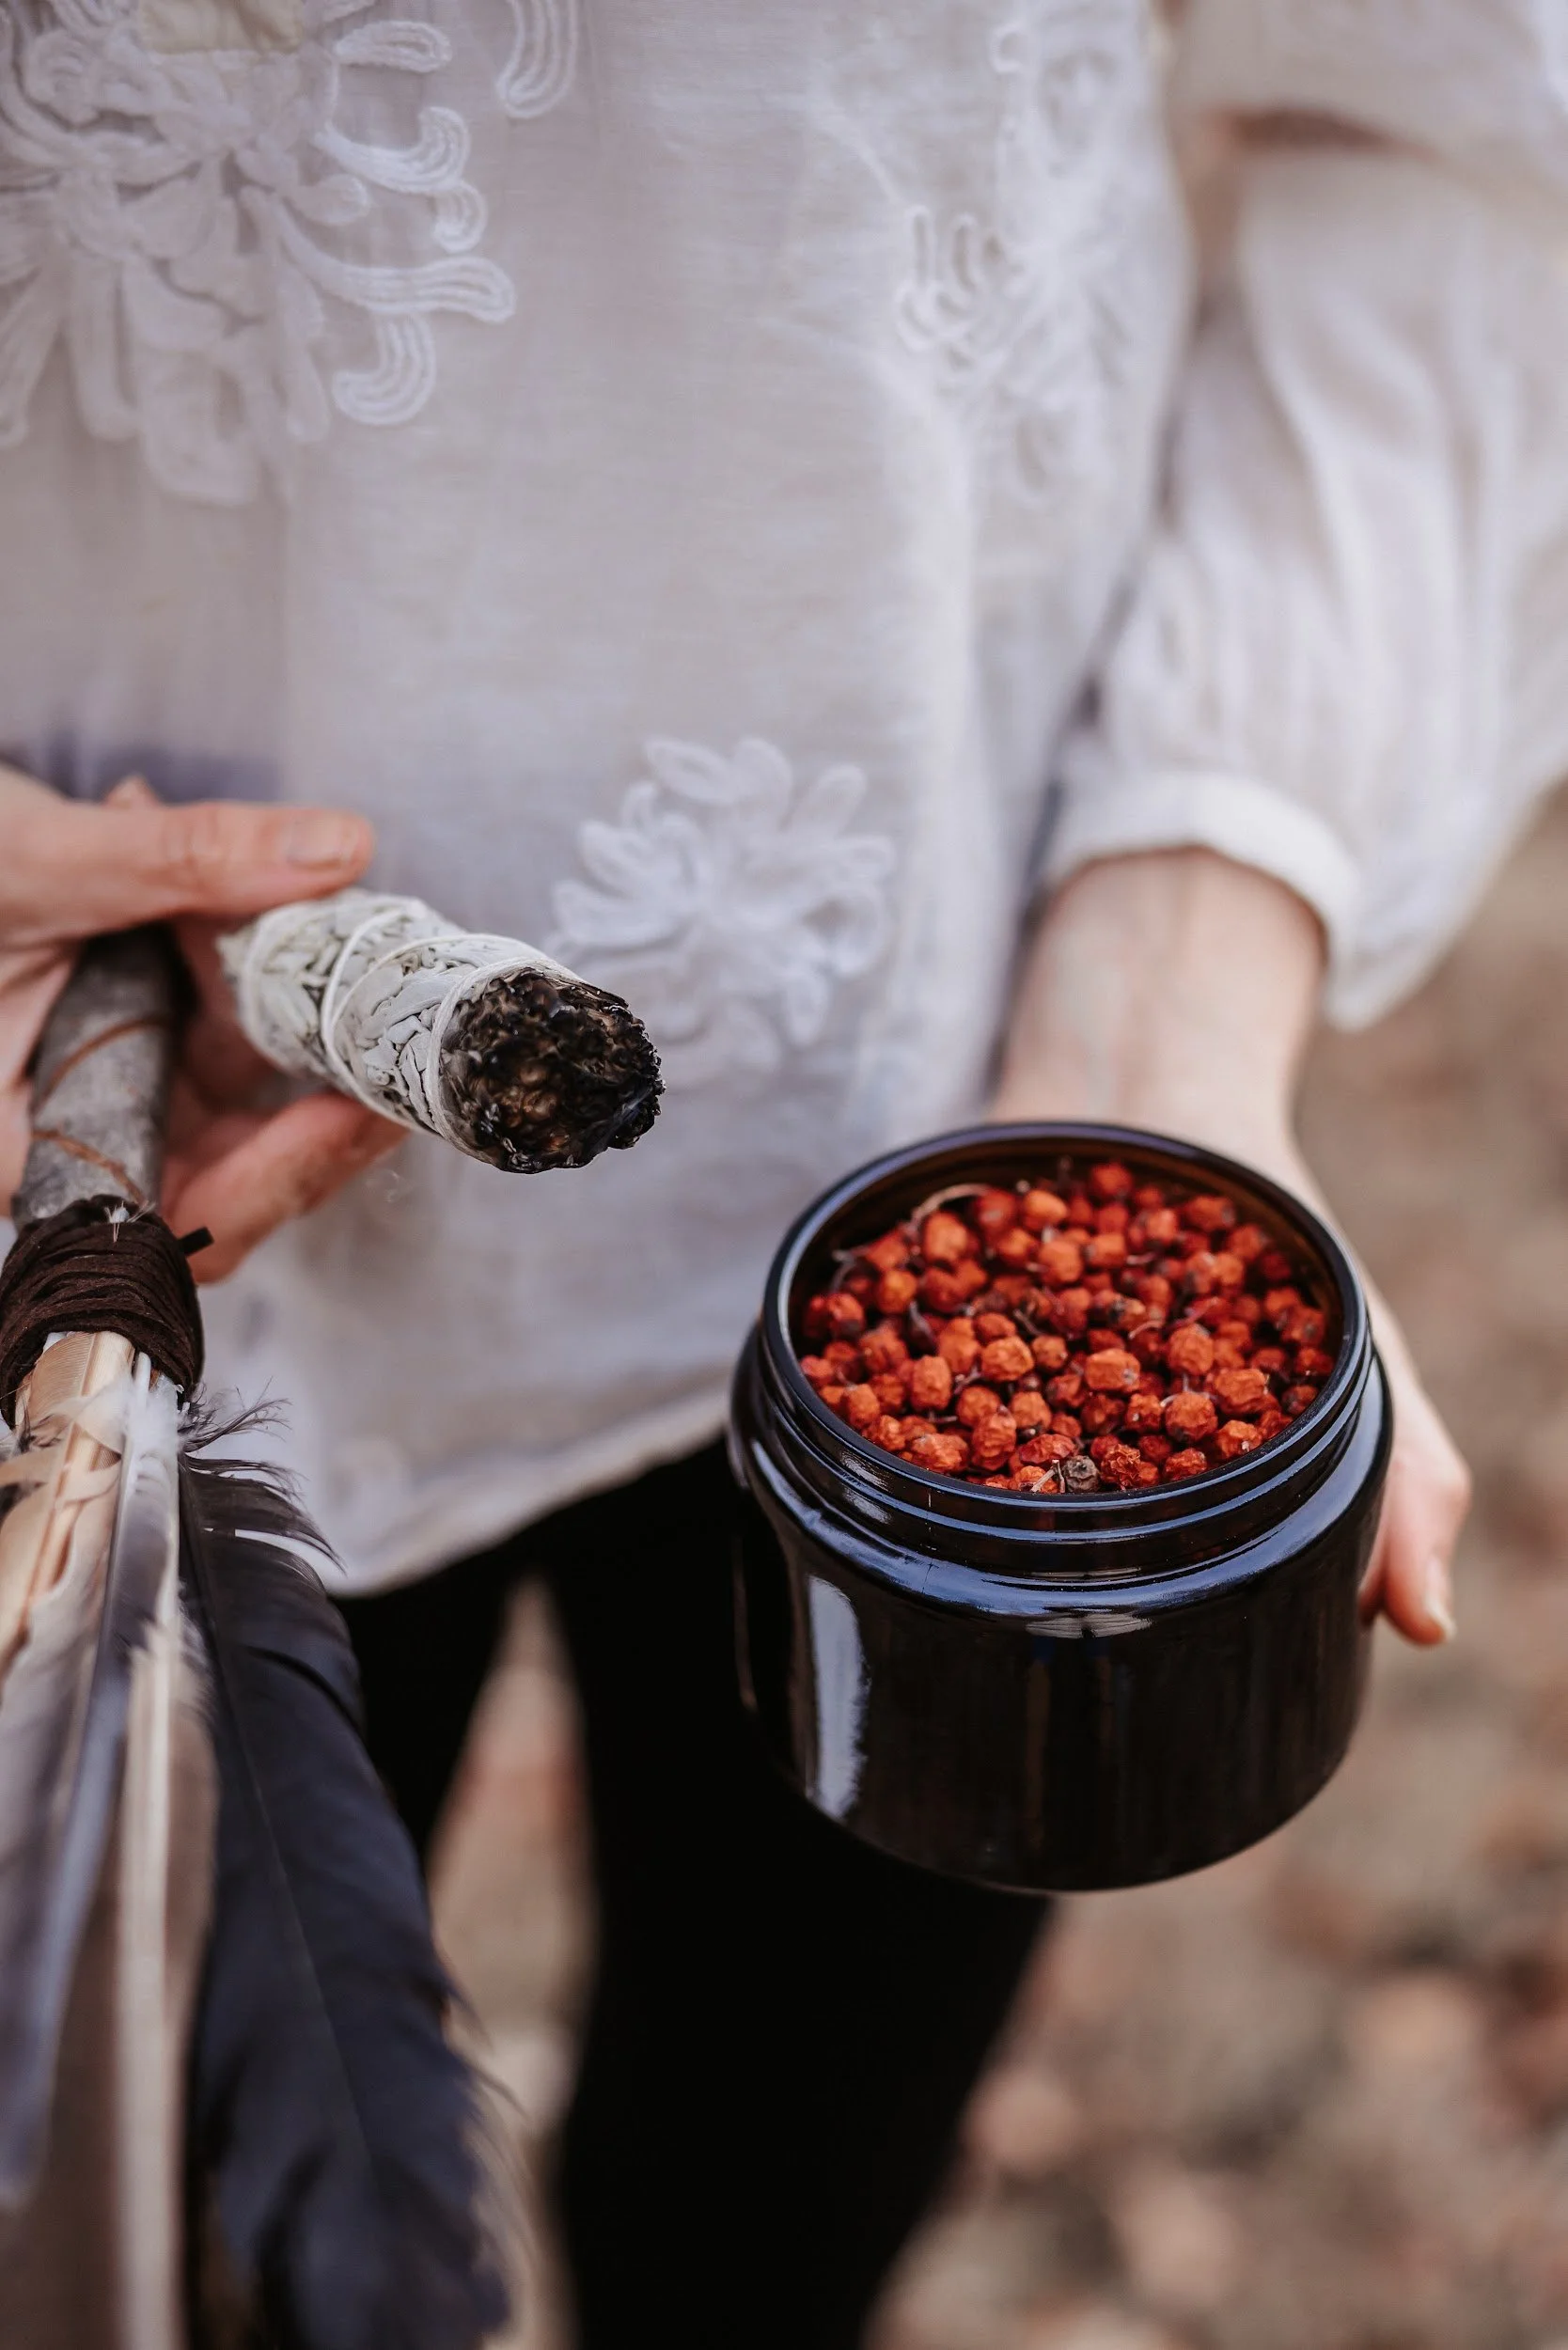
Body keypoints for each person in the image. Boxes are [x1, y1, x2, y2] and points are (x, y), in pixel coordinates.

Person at [1, 3, 1561, 2342]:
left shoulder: (1015, 1281)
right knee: (201, 2227)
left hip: (941, 1029)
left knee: (774, 2194)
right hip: (92, 1147)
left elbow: (1452, 131)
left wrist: (1169, 981)